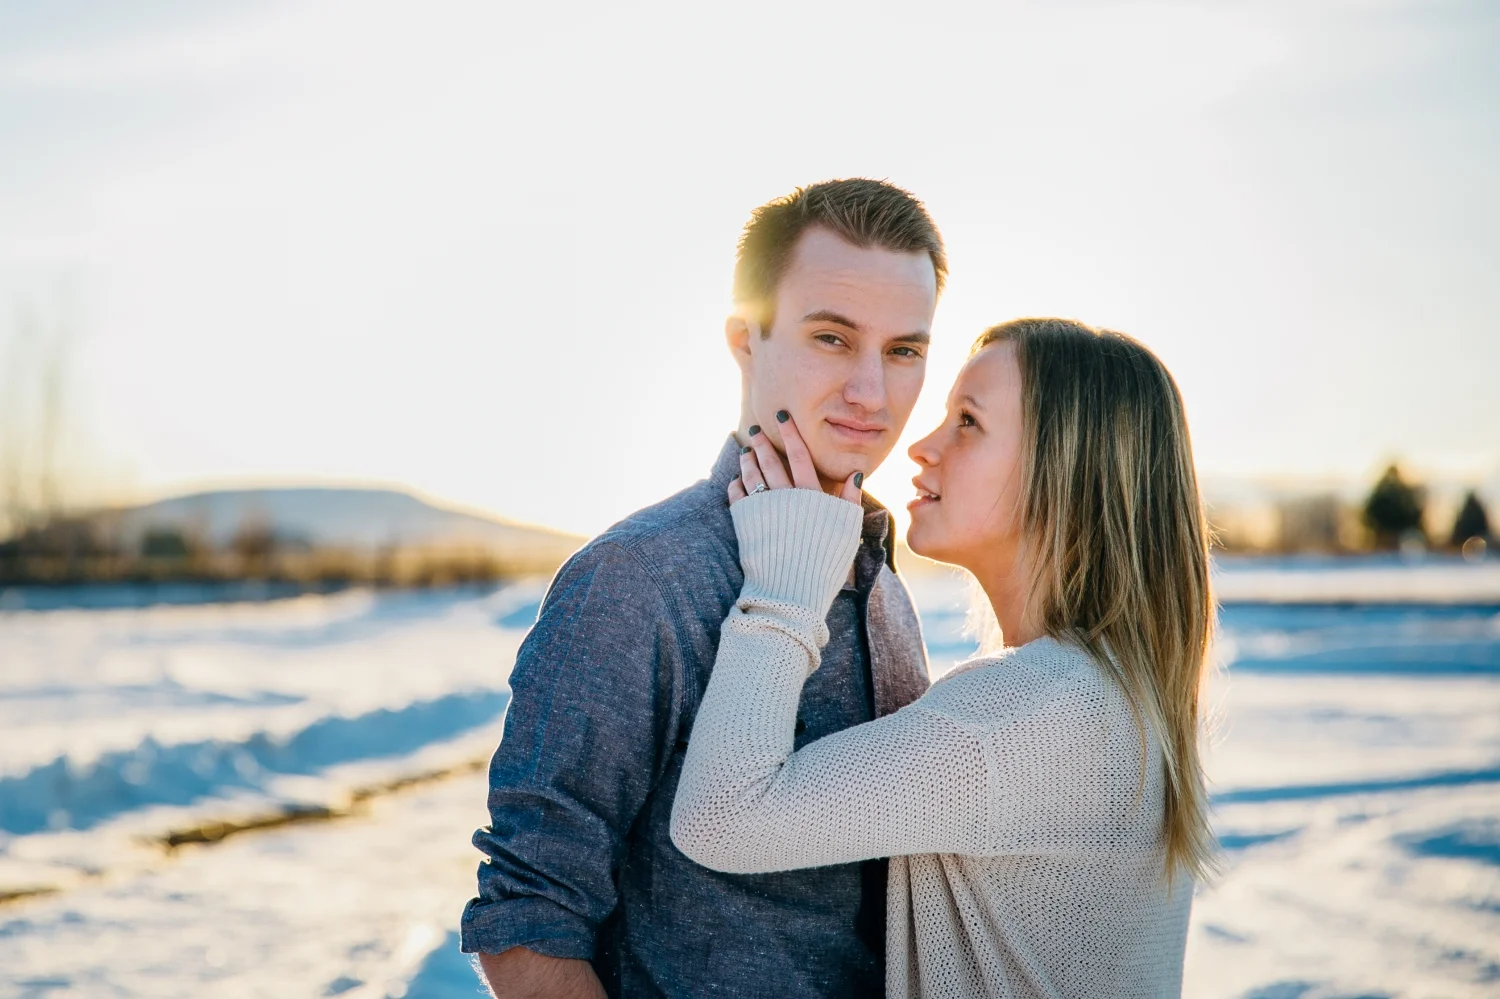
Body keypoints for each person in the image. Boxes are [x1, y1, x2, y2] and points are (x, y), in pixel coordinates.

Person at [461, 178, 947, 998]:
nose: (873, 392)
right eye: (832, 338)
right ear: (744, 339)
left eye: (904, 350)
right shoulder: (638, 579)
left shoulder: (877, 571)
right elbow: (526, 916)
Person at [671, 318, 1217, 998]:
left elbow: (721, 818)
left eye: (968, 422)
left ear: (1064, 473)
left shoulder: (1020, 717)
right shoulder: (1105, 694)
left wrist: (785, 587)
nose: (922, 447)